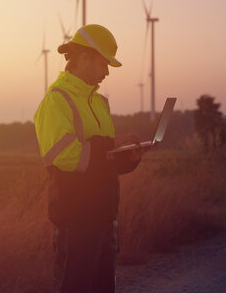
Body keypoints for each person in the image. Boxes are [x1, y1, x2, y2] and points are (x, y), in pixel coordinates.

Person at [34, 24, 149, 293]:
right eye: (104, 63)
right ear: (84, 57)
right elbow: (65, 157)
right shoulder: (56, 101)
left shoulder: (99, 103)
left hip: (104, 218)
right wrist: (112, 144)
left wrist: (129, 159)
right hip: (75, 223)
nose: (107, 73)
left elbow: (104, 160)